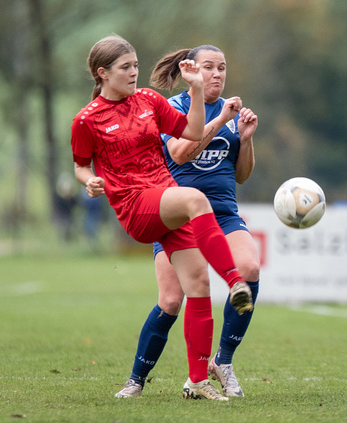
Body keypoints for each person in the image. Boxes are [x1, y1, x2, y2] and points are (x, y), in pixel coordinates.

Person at [70, 35, 253, 402]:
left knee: (195, 286)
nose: (135, 73)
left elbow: (192, 131)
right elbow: (79, 165)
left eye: (136, 65)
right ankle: (234, 281)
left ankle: (195, 381)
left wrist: (197, 89)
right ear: (102, 74)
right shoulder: (86, 120)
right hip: (135, 205)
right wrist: (89, 181)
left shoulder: (150, 101)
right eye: (126, 68)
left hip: (164, 199)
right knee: (196, 199)